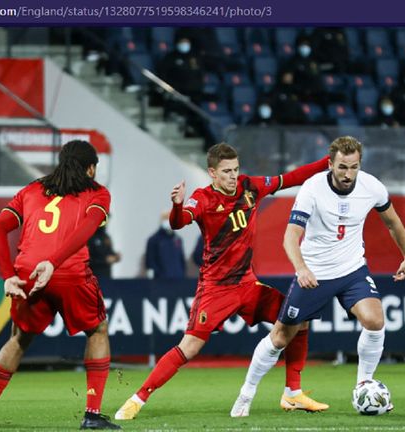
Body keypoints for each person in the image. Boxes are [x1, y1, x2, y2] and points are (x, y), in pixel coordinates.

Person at [114, 143, 331, 421]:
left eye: (236, 169)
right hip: (216, 288)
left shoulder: (249, 187)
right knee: (190, 346)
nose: (233, 176)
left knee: (298, 319)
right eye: (226, 171)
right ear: (212, 173)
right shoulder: (202, 198)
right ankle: (137, 399)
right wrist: (177, 204)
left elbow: (289, 179)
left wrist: (328, 161)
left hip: (248, 285)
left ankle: (293, 393)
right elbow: (179, 223)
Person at [230, 136, 405, 417]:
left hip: (352, 269)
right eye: (342, 167)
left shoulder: (372, 186)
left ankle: (363, 385)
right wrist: (302, 268)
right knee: (280, 338)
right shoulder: (312, 188)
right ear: (330, 164)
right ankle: (246, 394)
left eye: (353, 167)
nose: (348, 174)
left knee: (375, 321)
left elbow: (393, 222)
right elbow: (291, 236)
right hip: (315, 273)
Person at [0, 141, 120, 431]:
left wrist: (7, 275)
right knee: (97, 330)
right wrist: (55, 261)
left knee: (18, 339)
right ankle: (92, 414)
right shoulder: (97, 193)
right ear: (90, 168)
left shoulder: (32, 189)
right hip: (68, 272)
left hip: (27, 273)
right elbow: (86, 229)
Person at [145, 210, 186, 279]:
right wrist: (158, 274)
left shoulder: (177, 239)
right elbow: (150, 261)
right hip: (161, 280)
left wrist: (182, 273)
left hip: (178, 279)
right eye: (166, 218)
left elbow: (181, 260)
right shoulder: (154, 240)